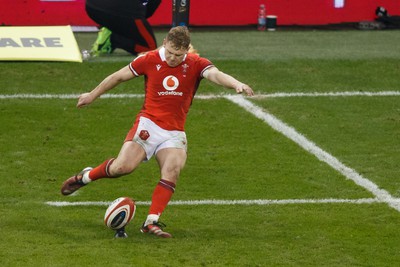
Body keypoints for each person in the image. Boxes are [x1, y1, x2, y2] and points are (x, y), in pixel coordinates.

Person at [61, 26, 254, 238]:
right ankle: (86, 177)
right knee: (122, 167)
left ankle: (151, 222)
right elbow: (117, 77)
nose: (172, 58)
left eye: (178, 55)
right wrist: (92, 95)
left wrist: (237, 84)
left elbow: (216, 75)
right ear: (164, 42)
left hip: (174, 132)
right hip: (148, 125)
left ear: (187, 50)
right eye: (170, 52)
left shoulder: (196, 63)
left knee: (172, 170)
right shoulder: (149, 59)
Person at [85, 0, 161, 56]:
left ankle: (111, 29)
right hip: (119, 8)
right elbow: (148, 11)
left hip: (91, 6)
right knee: (150, 51)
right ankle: (113, 39)